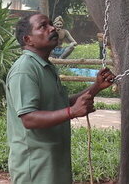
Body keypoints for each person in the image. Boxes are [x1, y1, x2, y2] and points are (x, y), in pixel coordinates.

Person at [7, 13, 116, 184]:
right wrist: (72, 112)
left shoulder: (45, 66)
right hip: (36, 167)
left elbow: (60, 104)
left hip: (53, 162)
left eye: (51, 24)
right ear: (28, 39)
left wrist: (96, 87)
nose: (52, 28)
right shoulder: (25, 70)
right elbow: (28, 119)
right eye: (43, 26)